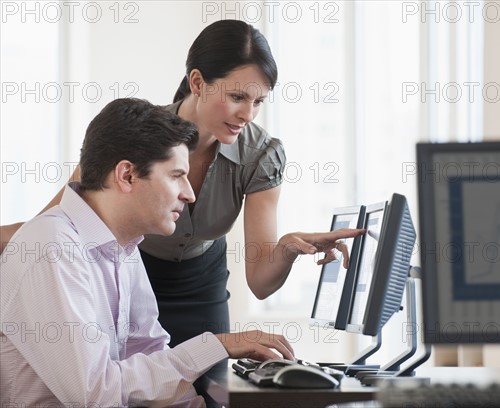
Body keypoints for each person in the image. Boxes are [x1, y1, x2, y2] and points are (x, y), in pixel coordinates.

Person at [0, 20, 363, 346]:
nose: (247, 115)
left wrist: (285, 249)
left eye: (258, 102)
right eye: (237, 97)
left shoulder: (260, 154)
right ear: (197, 82)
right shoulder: (135, 135)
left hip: (202, 285)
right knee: (131, 389)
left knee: (206, 392)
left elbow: (261, 282)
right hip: (129, 275)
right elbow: (56, 225)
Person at [0, 98, 295, 407]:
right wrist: (217, 345)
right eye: (176, 175)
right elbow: (95, 392)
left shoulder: (122, 247)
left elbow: (152, 360)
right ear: (127, 175)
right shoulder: (52, 247)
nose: (189, 193)